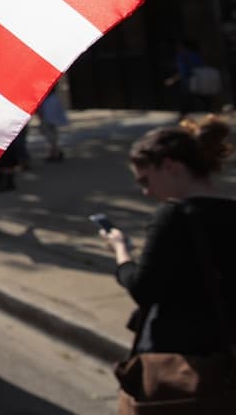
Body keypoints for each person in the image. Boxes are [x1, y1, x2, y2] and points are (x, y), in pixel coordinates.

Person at [101, 117, 236, 369]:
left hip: (185, 363)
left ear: (169, 165)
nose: (147, 192)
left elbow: (143, 288)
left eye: (145, 180)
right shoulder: (230, 210)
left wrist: (122, 253)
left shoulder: (173, 216)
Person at [37, 87, 69, 162]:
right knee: (52, 136)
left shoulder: (49, 99)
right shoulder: (53, 98)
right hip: (51, 120)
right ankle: (56, 151)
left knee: (51, 137)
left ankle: (54, 152)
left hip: (48, 120)